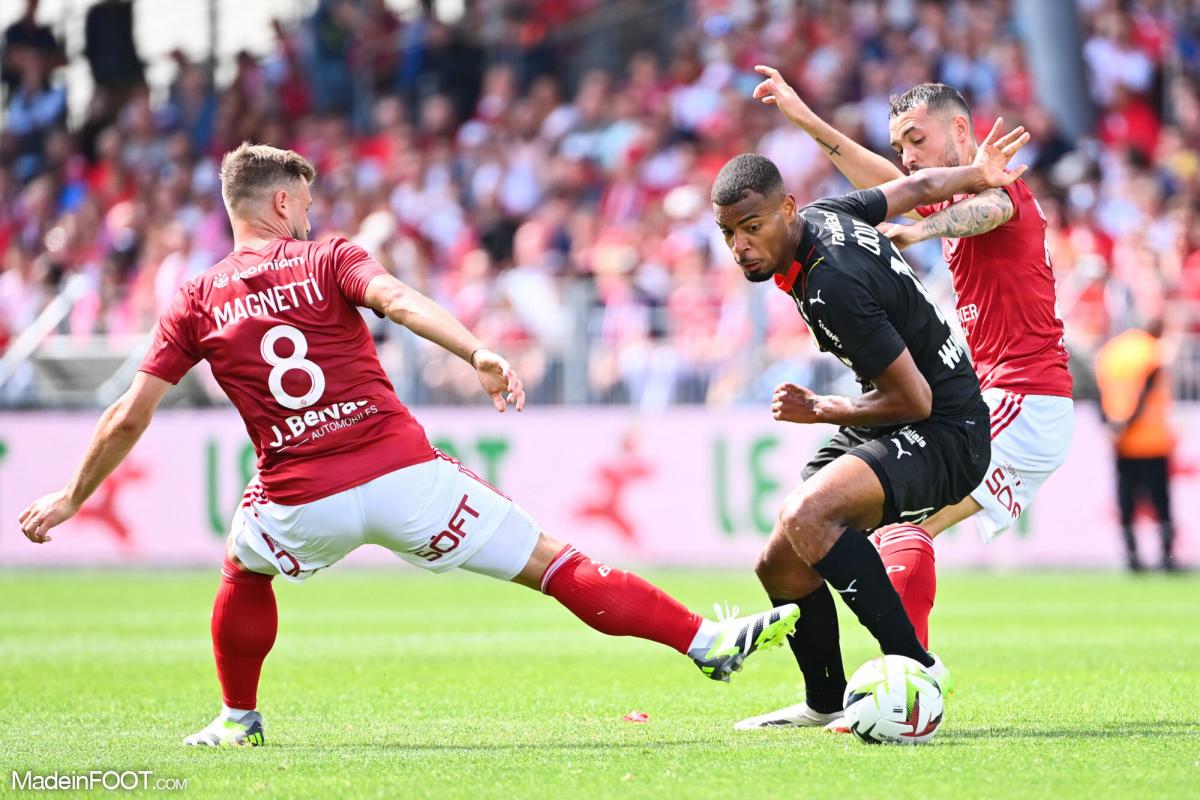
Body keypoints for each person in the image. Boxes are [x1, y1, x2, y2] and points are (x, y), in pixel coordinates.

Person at [18, 143, 801, 747]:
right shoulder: (329, 256)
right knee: (555, 564)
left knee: (242, 565)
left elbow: (129, 412)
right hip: (405, 478)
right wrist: (477, 352)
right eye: (306, 203)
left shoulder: (194, 296)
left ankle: (236, 717)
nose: (308, 216)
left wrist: (71, 496)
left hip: (298, 501)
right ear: (283, 200)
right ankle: (703, 639)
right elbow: (397, 300)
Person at [735, 67, 1074, 730]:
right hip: (1012, 396)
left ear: (961, 131)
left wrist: (917, 233)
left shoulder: (1001, 190)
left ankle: (914, 677)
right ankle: (866, 687)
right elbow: (887, 186)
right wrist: (803, 115)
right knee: (870, 528)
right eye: (899, 143)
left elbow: (990, 208)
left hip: (1022, 397)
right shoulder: (942, 192)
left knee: (891, 526)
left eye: (916, 138)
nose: (906, 155)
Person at [1095, 320, 1177, 572]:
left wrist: (1111, 426)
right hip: (1151, 440)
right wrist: (1127, 424)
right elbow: (1145, 393)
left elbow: (1101, 394)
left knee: (1126, 500)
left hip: (1121, 443)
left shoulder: (1109, 353)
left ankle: (1132, 557)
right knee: (1160, 502)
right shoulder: (1152, 352)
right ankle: (1166, 557)